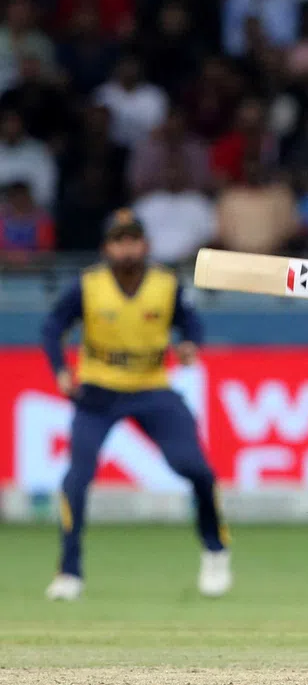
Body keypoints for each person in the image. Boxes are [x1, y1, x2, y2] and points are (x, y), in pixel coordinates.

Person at [39, 210, 230, 602]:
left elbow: (190, 323)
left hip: (151, 387)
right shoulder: (88, 285)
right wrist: (60, 369)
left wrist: (190, 345)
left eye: (133, 240)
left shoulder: (165, 284)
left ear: (146, 245)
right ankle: (69, 572)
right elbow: (52, 327)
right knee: (76, 479)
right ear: (106, 248)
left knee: (197, 469)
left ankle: (215, 551)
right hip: (99, 391)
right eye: (119, 240)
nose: (126, 248)